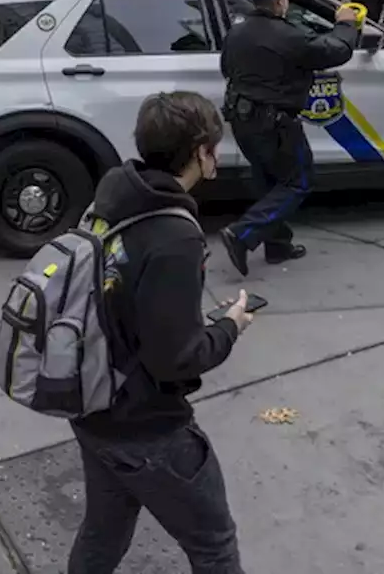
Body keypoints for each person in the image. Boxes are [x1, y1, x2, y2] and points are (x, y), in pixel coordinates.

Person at [69, 91, 252, 573]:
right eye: (214, 145)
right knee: (214, 544)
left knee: (104, 531)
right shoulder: (174, 235)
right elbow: (176, 358)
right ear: (200, 153)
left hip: (94, 407)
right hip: (148, 428)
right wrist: (229, 327)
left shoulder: (111, 200)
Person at [218, 0, 360, 278]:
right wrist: (346, 25)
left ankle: (277, 245)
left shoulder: (237, 33)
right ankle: (242, 234)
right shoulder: (289, 36)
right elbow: (336, 51)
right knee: (299, 181)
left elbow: (226, 67)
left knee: (270, 182)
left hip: (242, 119)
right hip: (275, 124)